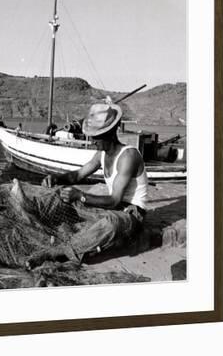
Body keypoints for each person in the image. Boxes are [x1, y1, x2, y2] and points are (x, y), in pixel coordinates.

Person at [27, 102, 148, 268]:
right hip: (112, 209)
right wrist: (56, 178)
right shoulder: (101, 154)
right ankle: (33, 215)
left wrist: (80, 196)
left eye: (95, 137)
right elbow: (78, 175)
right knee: (61, 195)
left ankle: (59, 252)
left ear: (110, 134)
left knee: (111, 223)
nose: (92, 141)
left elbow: (114, 200)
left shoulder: (129, 156)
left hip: (130, 215)